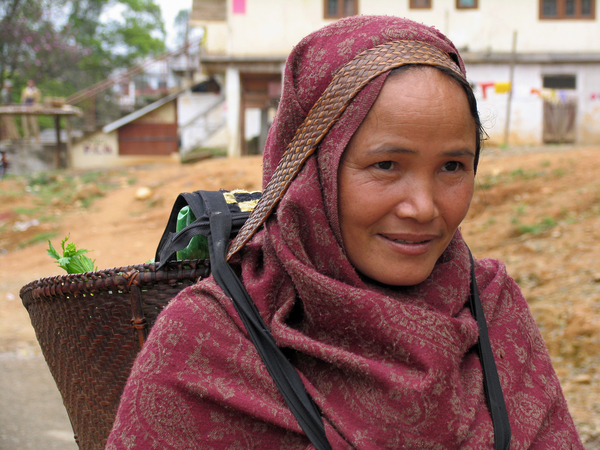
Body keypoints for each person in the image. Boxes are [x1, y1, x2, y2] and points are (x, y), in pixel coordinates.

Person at [107, 16, 583, 449]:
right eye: (386, 165)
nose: (424, 207)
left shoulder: (492, 309)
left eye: (453, 166)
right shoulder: (209, 340)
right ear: (309, 172)